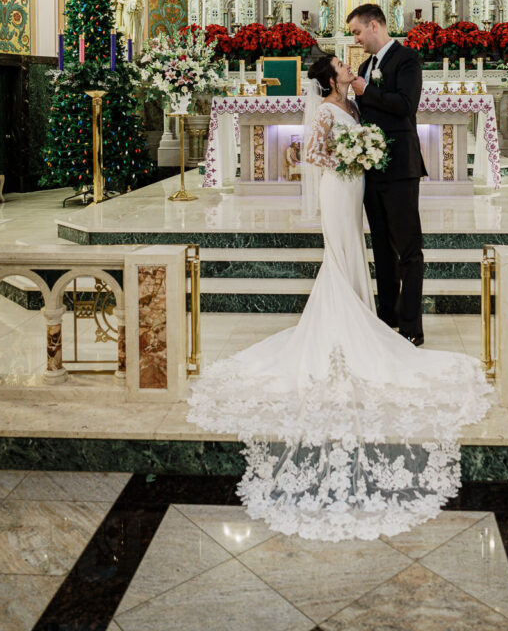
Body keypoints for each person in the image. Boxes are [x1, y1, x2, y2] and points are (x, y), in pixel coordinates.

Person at [188, 52, 491, 540]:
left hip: (357, 188)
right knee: (341, 253)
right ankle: (342, 323)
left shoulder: (356, 106)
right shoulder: (328, 109)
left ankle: (362, 317)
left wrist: (365, 153)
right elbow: (311, 154)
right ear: (332, 78)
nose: (351, 68)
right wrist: (354, 156)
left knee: (357, 252)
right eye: (342, 67)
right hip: (338, 186)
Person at [348, 2, 427, 341]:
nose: (356, 40)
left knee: (407, 249)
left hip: (400, 167)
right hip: (372, 170)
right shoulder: (365, 66)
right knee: (381, 247)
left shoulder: (407, 59)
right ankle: (387, 318)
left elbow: (406, 106)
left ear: (375, 25)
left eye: (357, 32)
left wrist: (369, 92)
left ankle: (411, 328)